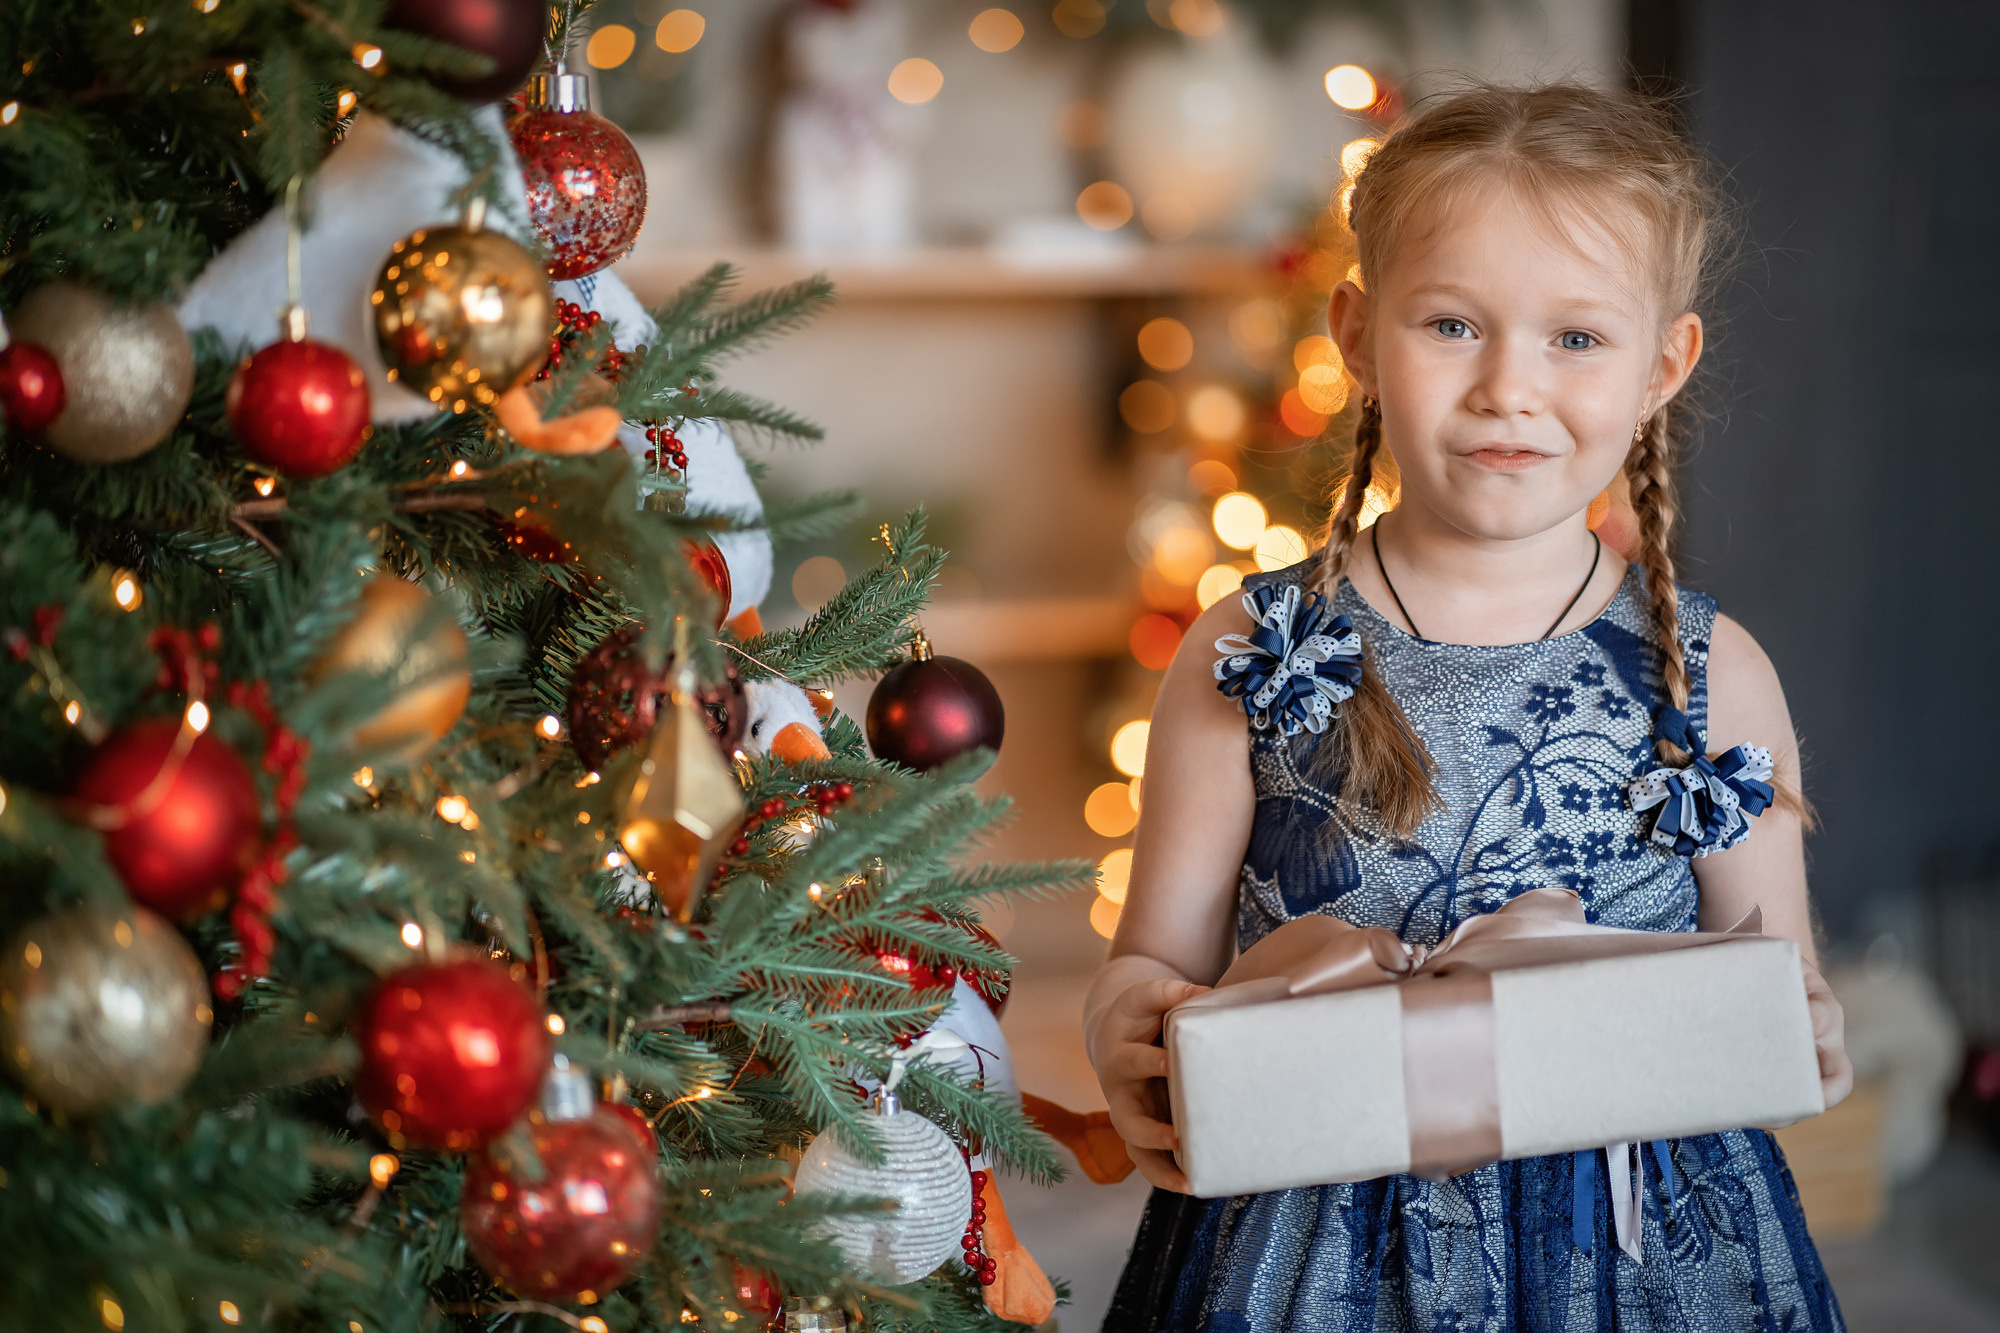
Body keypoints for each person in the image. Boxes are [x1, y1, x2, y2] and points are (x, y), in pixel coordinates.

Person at [1085, 83, 1854, 1331]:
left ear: (1663, 365)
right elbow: (1150, 966)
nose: (1507, 386)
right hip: (1308, 1225)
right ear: (1354, 331)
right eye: (1450, 324)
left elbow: (1787, 989)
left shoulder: (1708, 674)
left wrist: (1803, 1027)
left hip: (1634, 1237)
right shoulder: (1246, 651)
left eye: (1575, 339)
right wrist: (1127, 1037)